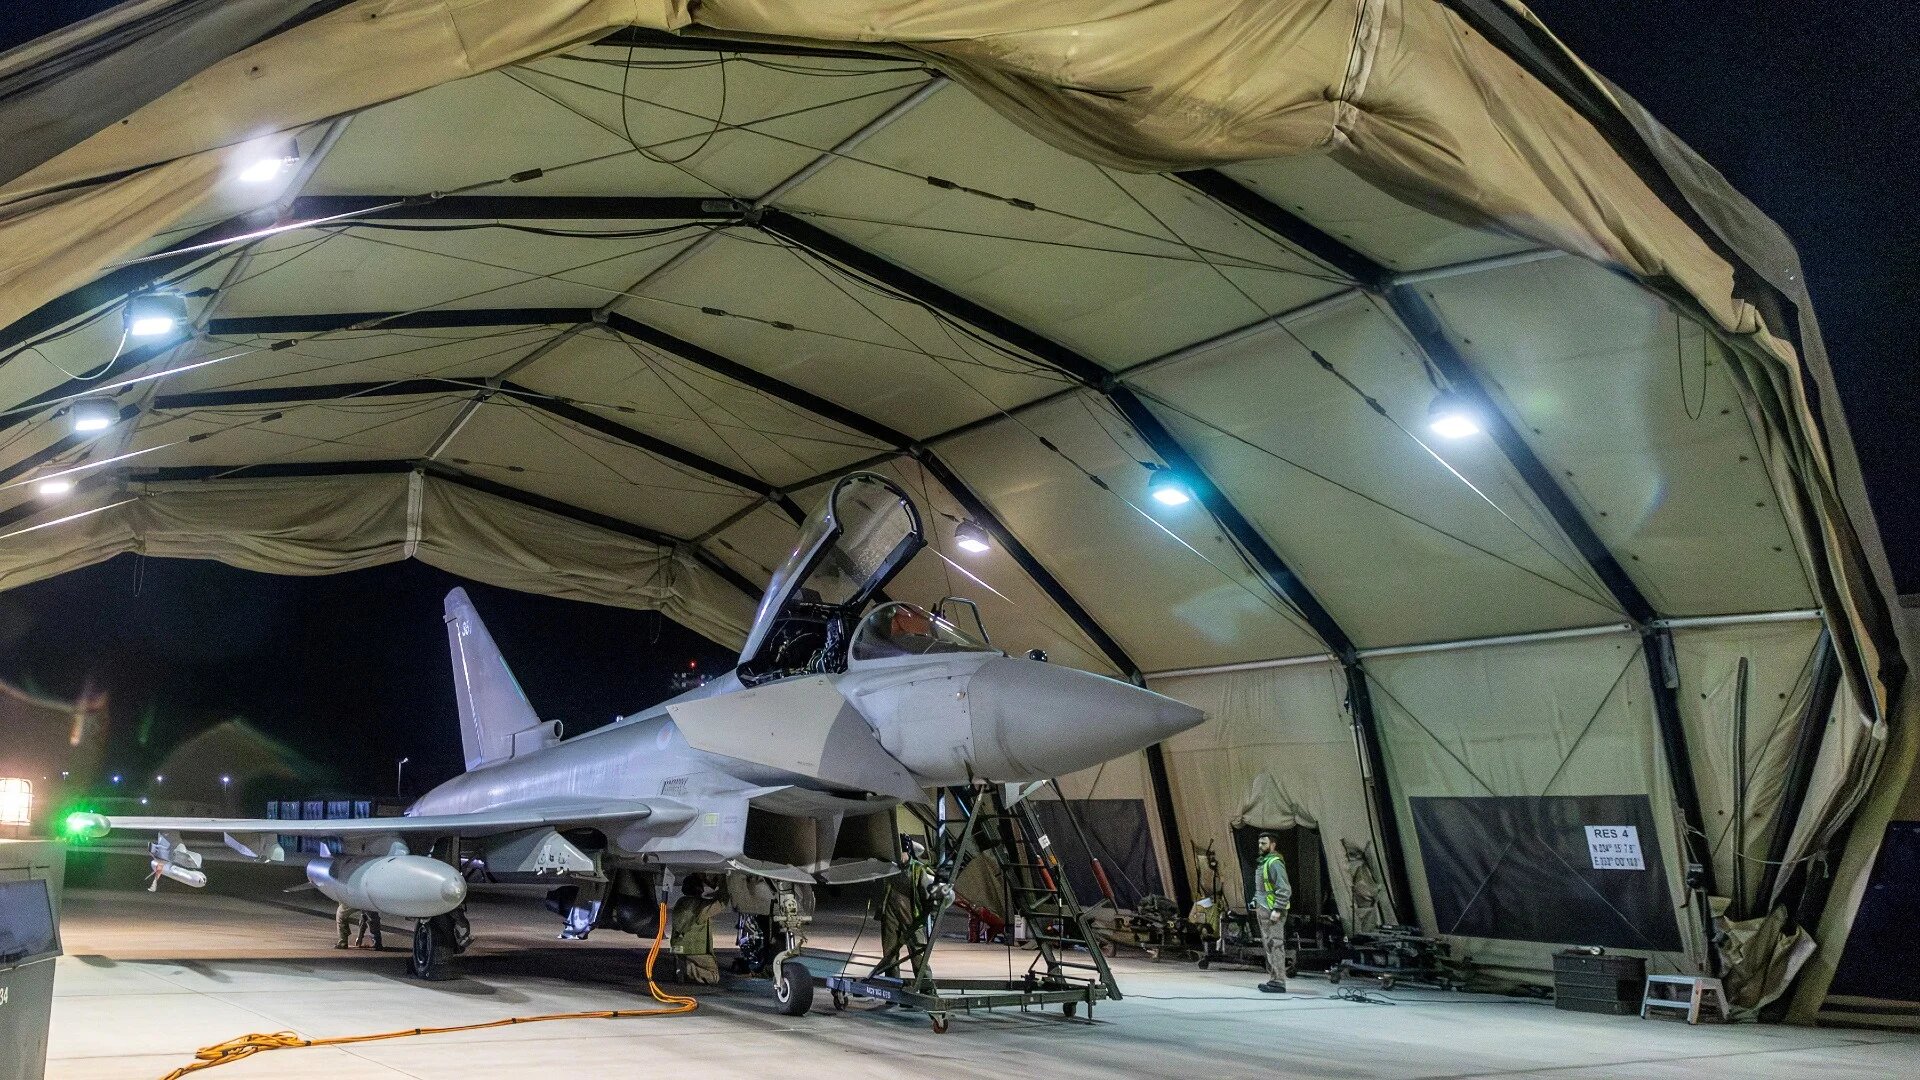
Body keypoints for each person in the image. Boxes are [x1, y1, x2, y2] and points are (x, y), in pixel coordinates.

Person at [1249, 832, 1292, 993]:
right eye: (1259, 843)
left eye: (1264, 844)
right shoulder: (1263, 862)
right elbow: (1262, 887)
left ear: (1272, 845)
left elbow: (1284, 888)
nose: (1260, 846)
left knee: (1276, 944)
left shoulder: (1274, 863)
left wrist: (1278, 909)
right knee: (1269, 944)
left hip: (1272, 910)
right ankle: (1273, 978)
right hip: (1263, 909)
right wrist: (1255, 899)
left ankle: (1279, 981)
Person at [668, 874, 728, 985]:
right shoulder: (699, 907)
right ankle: (686, 968)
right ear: (699, 889)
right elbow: (722, 902)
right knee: (713, 977)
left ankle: (682, 966)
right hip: (694, 949)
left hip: (677, 948)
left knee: (690, 973)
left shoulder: (681, 902)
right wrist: (723, 880)